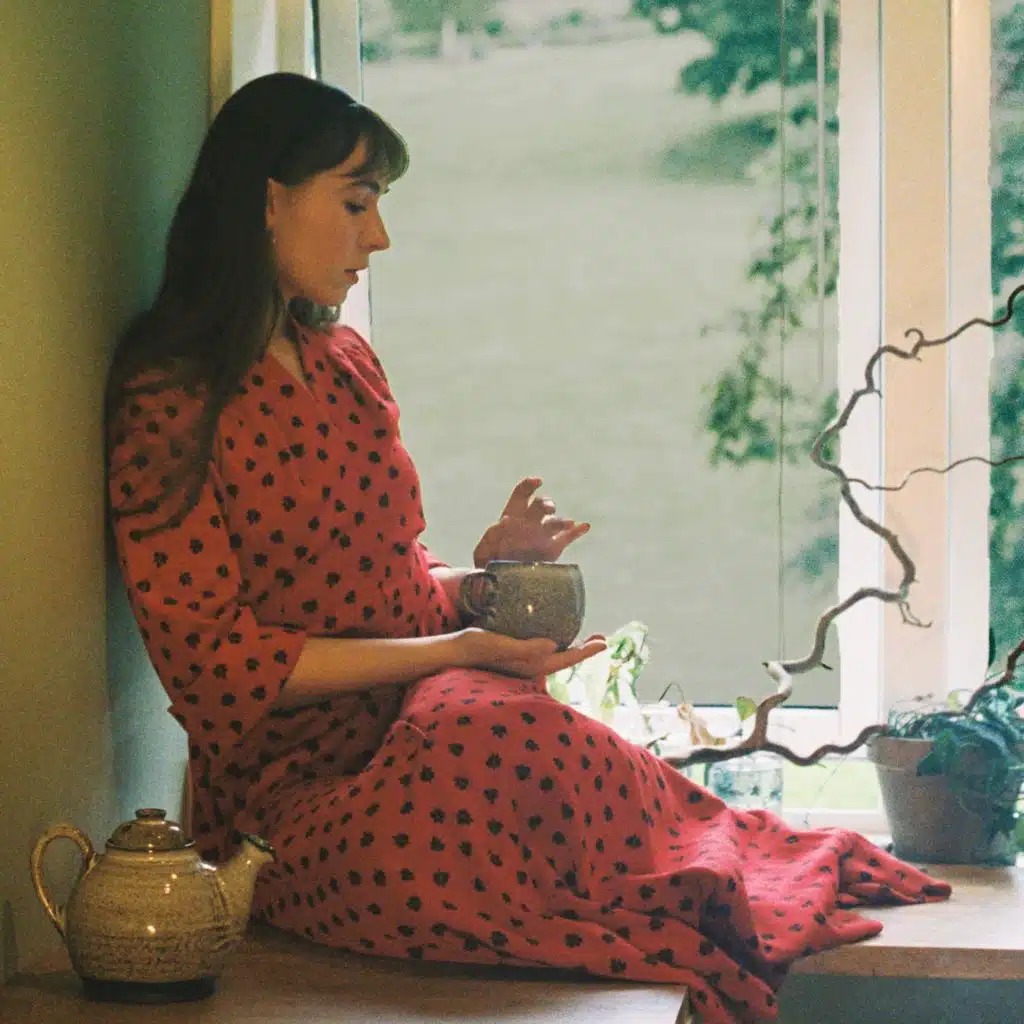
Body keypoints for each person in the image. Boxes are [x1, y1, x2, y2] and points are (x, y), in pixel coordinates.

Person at [106, 73, 949, 1024]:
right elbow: (217, 668)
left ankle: (706, 873)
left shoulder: (345, 365)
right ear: (268, 200)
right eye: (355, 202)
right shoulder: (171, 396)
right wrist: (459, 647)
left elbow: (388, 578)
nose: (378, 237)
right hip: (291, 799)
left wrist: (482, 583)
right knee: (481, 753)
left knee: (513, 731)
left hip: (420, 718)